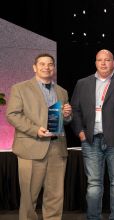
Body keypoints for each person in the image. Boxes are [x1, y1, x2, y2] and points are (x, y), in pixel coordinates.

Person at [6, 53, 72, 220]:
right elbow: (12, 115)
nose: (46, 67)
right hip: (31, 148)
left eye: (50, 64)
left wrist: (68, 114)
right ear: (34, 67)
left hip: (57, 148)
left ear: (54, 68)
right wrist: (35, 130)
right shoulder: (19, 88)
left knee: (55, 196)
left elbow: (66, 120)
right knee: (29, 198)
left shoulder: (62, 91)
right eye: (42, 64)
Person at [71, 49, 114, 220]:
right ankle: (93, 217)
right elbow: (75, 110)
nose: (103, 63)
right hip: (90, 140)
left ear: (113, 62)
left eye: (107, 60)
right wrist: (80, 132)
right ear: (95, 63)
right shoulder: (82, 83)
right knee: (93, 184)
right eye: (99, 60)